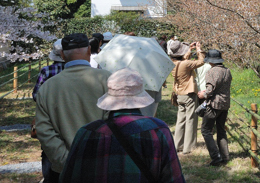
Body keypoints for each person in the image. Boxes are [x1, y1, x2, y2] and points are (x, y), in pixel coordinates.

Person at [60, 68, 186, 183]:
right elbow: (174, 178)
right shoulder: (158, 130)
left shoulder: (86, 132)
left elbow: (68, 177)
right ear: (140, 97)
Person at [35, 33, 112, 182]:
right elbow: (116, 122)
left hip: (64, 169)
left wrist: (65, 161)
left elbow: (44, 130)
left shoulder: (48, 87)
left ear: (62, 55)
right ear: (89, 51)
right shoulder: (107, 79)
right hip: (102, 163)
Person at [32, 39, 66, 181]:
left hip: (50, 117)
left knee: (49, 148)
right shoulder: (76, 71)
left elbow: (36, 95)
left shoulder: (47, 71)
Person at [198, 49, 232, 166]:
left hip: (213, 105)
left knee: (206, 130)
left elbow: (210, 89)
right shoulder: (227, 70)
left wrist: (203, 94)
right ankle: (225, 155)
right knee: (221, 129)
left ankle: (215, 157)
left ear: (210, 61)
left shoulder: (212, 71)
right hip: (225, 104)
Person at [171, 40, 204, 154]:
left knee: (180, 120)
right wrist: (198, 50)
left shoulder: (173, 62)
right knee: (190, 120)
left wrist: (189, 50)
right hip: (189, 94)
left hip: (179, 94)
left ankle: (177, 145)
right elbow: (201, 61)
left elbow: (182, 59)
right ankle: (188, 147)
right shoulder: (186, 64)